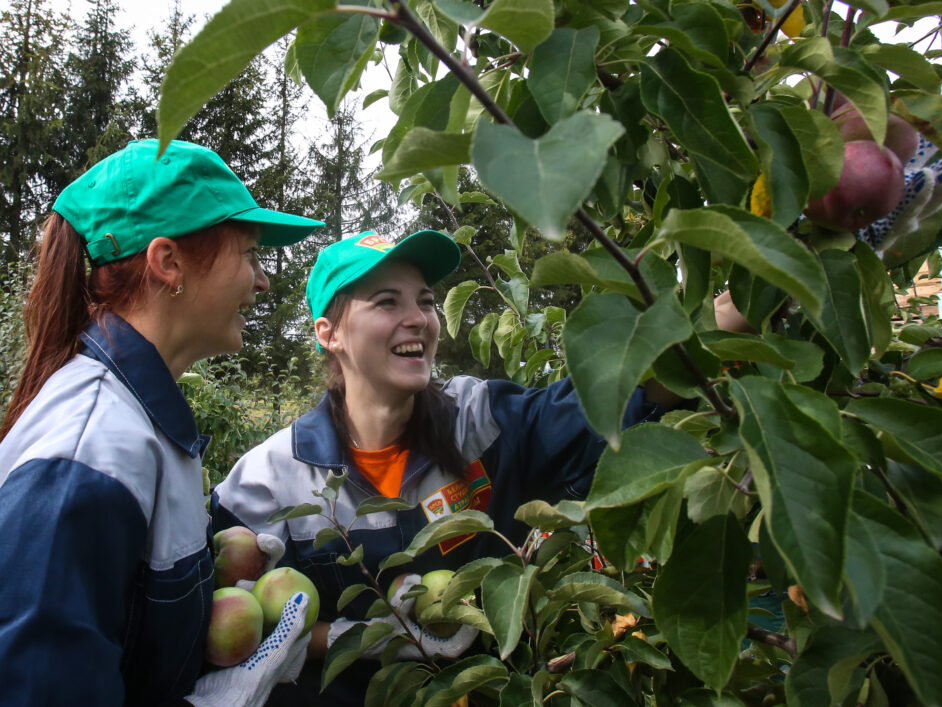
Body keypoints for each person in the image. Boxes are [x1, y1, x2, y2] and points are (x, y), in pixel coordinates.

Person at [211, 229, 685, 705]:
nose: (418, 319)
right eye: (386, 302)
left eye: (426, 301)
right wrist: (357, 638)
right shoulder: (268, 478)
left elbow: (602, 406)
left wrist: (707, 331)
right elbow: (221, 630)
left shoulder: (477, 422)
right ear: (329, 333)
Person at [0, 139, 325, 707]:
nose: (263, 280)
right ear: (168, 262)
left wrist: (206, 590)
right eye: (249, 253)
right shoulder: (93, 445)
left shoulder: (145, 421)